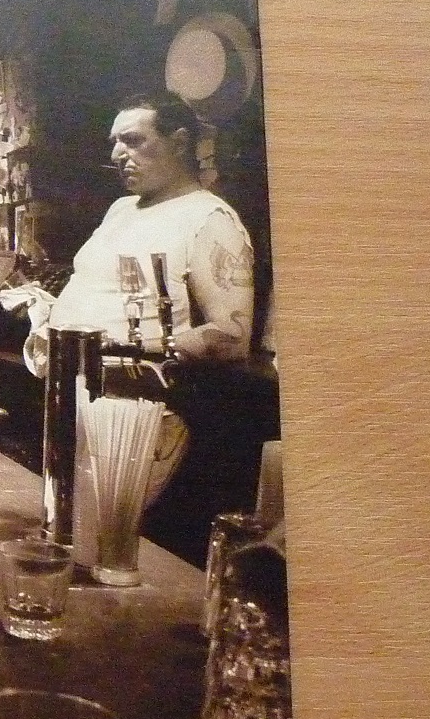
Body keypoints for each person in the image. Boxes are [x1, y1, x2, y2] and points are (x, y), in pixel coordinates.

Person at [18, 91, 257, 528]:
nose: (116, 154)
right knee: (55, 531)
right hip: (67, 396)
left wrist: (117, 344)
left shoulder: (211, 218)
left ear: (178, 142)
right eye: (115, 142)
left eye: (132, 140)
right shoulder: (121, 209)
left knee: (98, 538)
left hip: (135, 412)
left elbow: (233, 335)